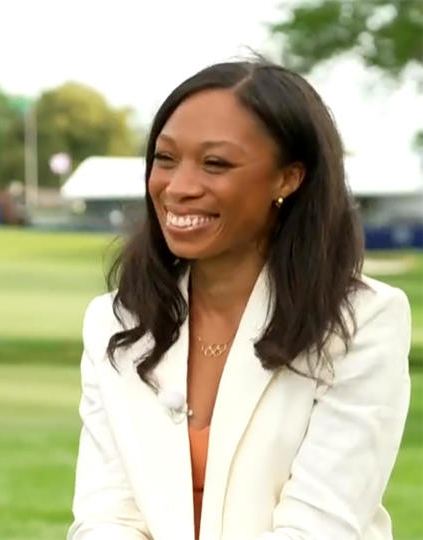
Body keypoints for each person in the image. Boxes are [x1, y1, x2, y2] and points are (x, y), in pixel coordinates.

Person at [67, 60, 412, 540]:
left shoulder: (362, 322)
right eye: (165, 159)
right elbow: (106, 517)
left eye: (216, 164)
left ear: (288, 179)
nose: (179, 188)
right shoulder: (114, 321)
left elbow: (320, 527)